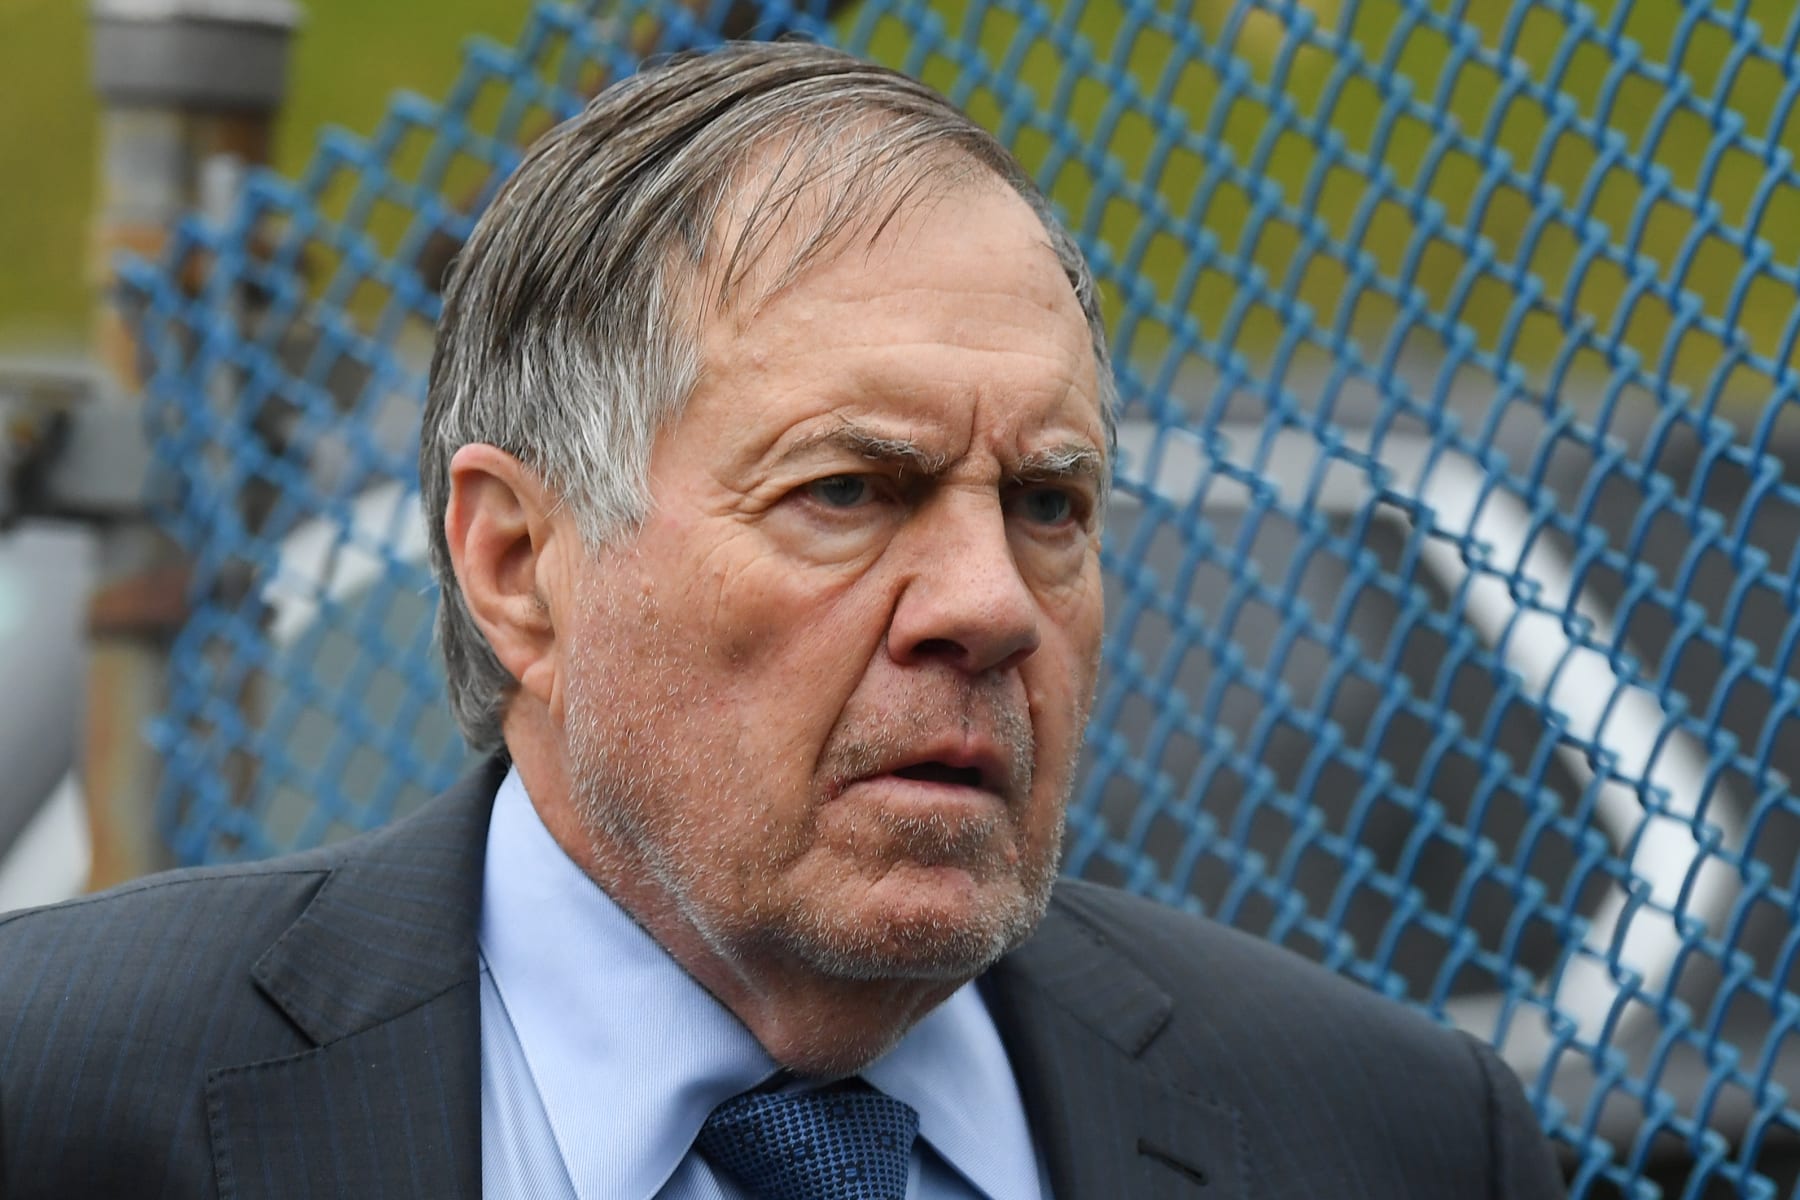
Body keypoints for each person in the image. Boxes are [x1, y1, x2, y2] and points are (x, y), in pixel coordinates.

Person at [0, 40, 1564, 1199]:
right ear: (516, 561)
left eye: (1048, 505)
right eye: (849, 491)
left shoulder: (1391, 1141)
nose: (988, 606)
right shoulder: (59, 1092)